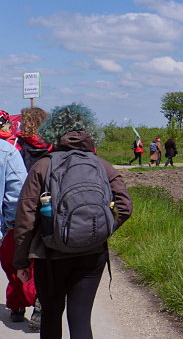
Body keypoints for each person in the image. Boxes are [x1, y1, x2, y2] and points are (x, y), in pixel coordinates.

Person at [13, 103, 132, 339]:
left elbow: (25, 218)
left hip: (51, 254)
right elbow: (125, 207)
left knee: (51, 315)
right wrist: (101, 229)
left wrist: (21, 262)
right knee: (80, 319)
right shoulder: (102, 165)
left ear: (52, 131)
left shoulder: (43, 166)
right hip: (92, 253)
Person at [1, 110, 37, 327]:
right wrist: (12, 224)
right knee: (21, 265)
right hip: (15, 222)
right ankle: (23, 302)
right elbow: (17, 195)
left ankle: (17, 304)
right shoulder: (7, 151)